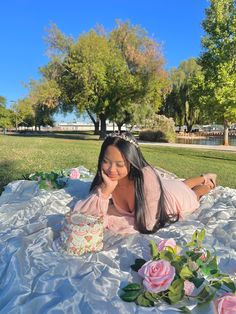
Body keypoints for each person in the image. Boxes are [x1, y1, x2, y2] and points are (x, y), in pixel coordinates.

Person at [73, 132, 217, 234]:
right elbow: (83, 217)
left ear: (132, 162)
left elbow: (148, 224)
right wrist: (105, 191)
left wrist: (110, 213)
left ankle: (208, 182)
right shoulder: (107, 179)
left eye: (120, 164)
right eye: (106, 161)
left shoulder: (146, 178)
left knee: (194, 193)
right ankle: (204, 176)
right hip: (163, 188)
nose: (111, 169)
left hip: (172, 201)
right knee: (181, 183)